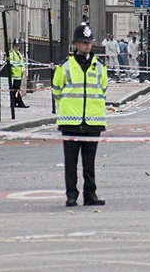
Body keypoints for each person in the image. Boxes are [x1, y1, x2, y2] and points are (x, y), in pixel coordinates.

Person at [53, 22, 108, 207]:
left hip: (93, 121)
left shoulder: (100, 66)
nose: (87, 46)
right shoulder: (65, 66)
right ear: (76, 44)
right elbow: (56, 91)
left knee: (89, 163)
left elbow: (103, 90)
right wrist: (70, 107)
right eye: (84, 42)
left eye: (89, 42)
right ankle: (71, 195)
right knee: (71, 163)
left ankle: (90, 194)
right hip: (70, 121)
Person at [8, 39, 29, 108]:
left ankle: (15, 102)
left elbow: (22, 63)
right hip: (14, 75)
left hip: (19, 75)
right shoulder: (11, 53)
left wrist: (23, 71)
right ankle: (19, 102)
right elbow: (10, 62)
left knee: (16, 89)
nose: (17, 47)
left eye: (18, 46)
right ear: (13, 46)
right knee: (16, 89)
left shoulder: (19, 54)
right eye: (16, 46)